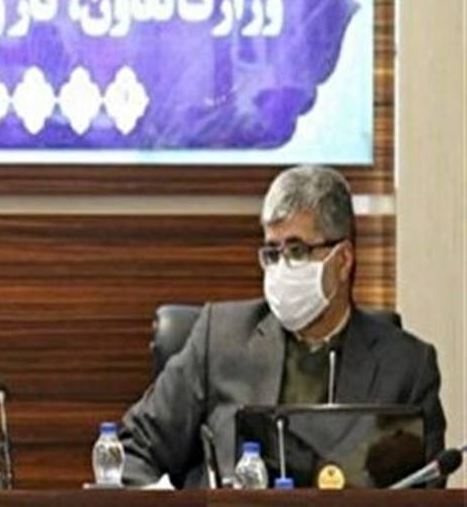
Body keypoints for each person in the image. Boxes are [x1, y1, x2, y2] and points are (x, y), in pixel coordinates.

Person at [119, 165, 447, 487]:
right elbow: (132, 449)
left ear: (343, 260)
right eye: (273, 253)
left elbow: (427, 502)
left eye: (297, 250)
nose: (282, 268)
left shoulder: (407, 368)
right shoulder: (220, 338)